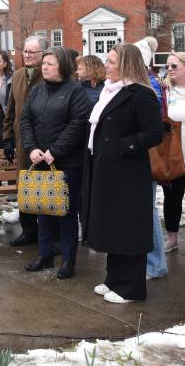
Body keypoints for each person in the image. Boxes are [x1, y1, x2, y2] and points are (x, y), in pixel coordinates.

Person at [83, 44, 163, 303]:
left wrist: (123, 146)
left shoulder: (141, 94)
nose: (106, 65)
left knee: (128, 229)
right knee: (112, 227)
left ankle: (131, 288)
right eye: (106, 60)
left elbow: (153, 134)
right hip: (107, 171)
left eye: (111, 61)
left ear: (127, 65)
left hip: (128, 172)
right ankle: (114, 279)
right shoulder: (110, 91)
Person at [20, 47, 90, 279]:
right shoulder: (38, 90)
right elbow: (26, 120)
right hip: (39, 158)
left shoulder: (76, 91)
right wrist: (32, 148)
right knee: (43, 209)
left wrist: (55, 151)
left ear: (63, 66)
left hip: (67, 162)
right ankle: (45, 253)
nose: (45, 67)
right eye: (44, 63)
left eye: (50, 63)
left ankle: (68, 259)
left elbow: (78, 124)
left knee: (66, 212)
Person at [3, 35, 48, 246]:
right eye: (26, 51)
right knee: (25, 187)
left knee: (44, 189)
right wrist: (8, 137)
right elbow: (11, 109)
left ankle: (48, 234)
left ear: (42, 54)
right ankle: (29, 230)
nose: (28, 55)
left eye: (32, 52)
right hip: (22, 141)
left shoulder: (49, 74)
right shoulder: (18, 75)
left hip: (45, 143)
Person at [133, 37, 168, 281]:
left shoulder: (149, 87)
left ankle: (155, 264)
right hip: (136, 158)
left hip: (145, 157)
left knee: (147, 211)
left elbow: (150, 127)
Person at [162, 52, 185, 254]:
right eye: (168, 66)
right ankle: (172, 238)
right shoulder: (166, 93)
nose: (169, 69)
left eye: (174, 66)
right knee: (172, 198)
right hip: (174, 156)